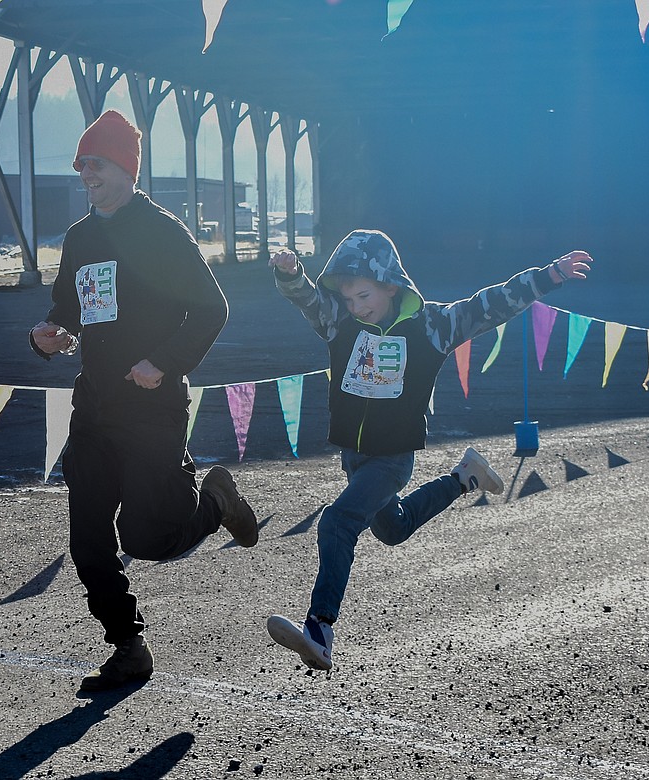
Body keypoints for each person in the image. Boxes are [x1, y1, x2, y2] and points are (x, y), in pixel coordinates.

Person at [266, 229, 592, 671]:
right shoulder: (340, 323)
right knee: (393, 528)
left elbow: (490, 305)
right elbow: (308, 300)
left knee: (338, 522)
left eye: (364, 295)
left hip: (392, 459)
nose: (357, 307)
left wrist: (548, 276)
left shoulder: (433, 327)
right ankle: (465, 477)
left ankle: (320, 629)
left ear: (390, 284)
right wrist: (291, 275)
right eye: (349, 300)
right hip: (354, 455)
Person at [30, 109, 259, 691]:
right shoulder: (81, 238)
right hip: (95, 407)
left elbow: (212, 308)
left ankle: (213, 501)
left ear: (126, 169)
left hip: (152, 407)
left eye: (97, 163)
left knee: (148, 539)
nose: (86, 173)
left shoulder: (161, 231)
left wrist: (164, 362)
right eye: (81, 163)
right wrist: (52, 333)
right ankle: (128, 647)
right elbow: (70, 307)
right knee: (88, 540)